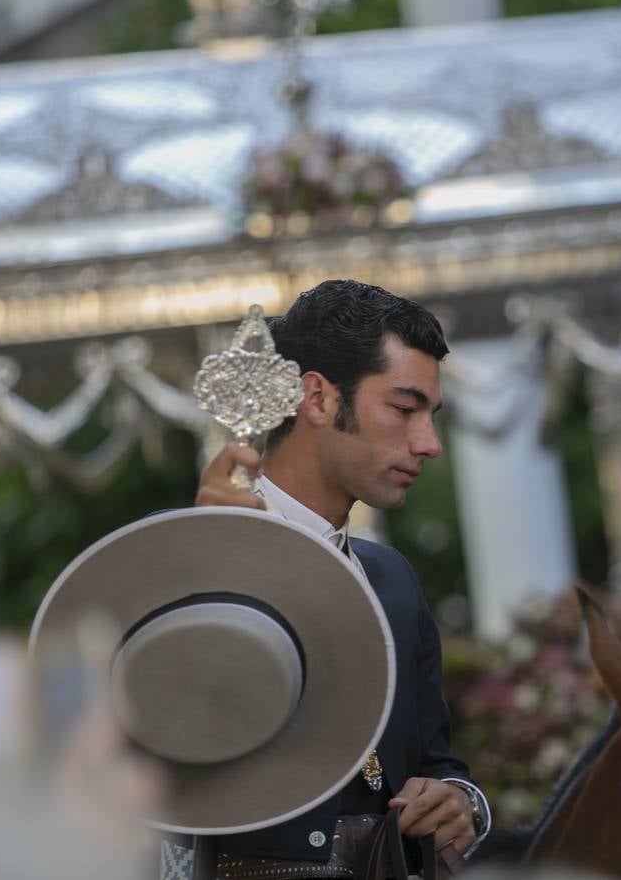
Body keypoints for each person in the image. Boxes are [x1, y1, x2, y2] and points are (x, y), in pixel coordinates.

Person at [183, 279, 490, 878]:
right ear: (318, 399)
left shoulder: (393, 579)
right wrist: (210, 563)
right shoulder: (182, 554)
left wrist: (461, 802)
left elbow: (438, 763)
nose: (429, 444)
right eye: (403, 409)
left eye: (431, 416)